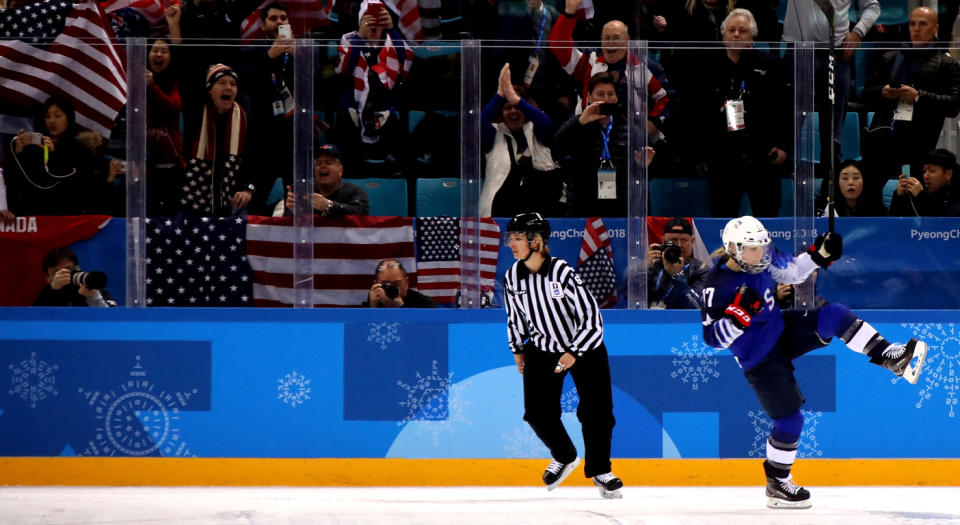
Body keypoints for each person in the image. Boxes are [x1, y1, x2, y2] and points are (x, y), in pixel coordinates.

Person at [700, 216, 928, 508]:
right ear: (733, 248)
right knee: (790, 420)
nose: (759, 254)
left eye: (761, 247)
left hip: (779, 331)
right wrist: (738, 316)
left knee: (833, 314)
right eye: (751, 249)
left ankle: (888, 357)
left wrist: (818, 255)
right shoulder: (717, 285)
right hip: (758, 356)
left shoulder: (762, 258)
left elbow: (793, 271)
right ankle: (778, 482)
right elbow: (713, 338)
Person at [502, 212, 622, 499]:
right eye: (511, 238)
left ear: (536, 241)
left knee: (597, 411)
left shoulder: (563, 273)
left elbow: (592, 319)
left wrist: (574, 352)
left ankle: (601, 470)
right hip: (542, 348)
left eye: (517, 238)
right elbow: (514, 316)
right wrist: (518, 348)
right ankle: (565, 455)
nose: (510, 244)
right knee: (537, 414)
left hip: (585, 348)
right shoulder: (512, 277)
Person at [690, 8, 790, 217]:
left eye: (742, 30)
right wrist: (700, 153)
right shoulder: (707, 66)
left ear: (752, 36)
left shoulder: (771, 65)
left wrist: (783, 145)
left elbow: (786, 108)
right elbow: (697, 113)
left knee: (767, 218)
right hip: (723, 158)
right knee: (723, 216)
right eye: (732, 30)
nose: (736, 34)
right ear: (723, 34)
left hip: (763, 156)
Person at [862, 7, 960, 206]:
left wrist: (918, 97)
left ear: (935, 28)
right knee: (872, 193)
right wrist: (882, 91)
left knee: (916, 196)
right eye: (912, 23)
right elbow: (866, 95)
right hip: (885, 137)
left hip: (921, 141)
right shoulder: (890, 58)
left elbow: (954, 105)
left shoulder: (946, 64)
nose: (916, 29)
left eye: (922, 24)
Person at [548, 0, 674, 143]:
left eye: (616, 38)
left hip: (630, 140)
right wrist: (569, 12)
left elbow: (666, 98)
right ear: (601, 40)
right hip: (590, 136)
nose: (610, 42)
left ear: (627, 40)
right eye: (606, 38)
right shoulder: (588, 60)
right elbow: (558, 46)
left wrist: (654, 122)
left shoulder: (646, 67)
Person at [783, 0, 881, 176]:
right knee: (789, 130)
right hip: (799, 51)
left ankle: (829, 198)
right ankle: (789, 194)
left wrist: (858, 33)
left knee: (833, 137)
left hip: (836, 54)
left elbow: (873, 7)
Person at [332, 0, 413, 173]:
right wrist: (359, 37)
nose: (375, 26)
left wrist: (392, 29)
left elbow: (405, 63)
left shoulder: (392, 42)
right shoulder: (349, 39)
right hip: (351, 111)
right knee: (349, 162)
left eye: (379, 21)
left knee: (400, 158)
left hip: (384, 111)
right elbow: (343, 70)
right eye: (369, 21)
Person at [4, 97, 116, 216]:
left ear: (68, 118)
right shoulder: (33, 147)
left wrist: (53, 154)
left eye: (57, 116)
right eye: (47, 117)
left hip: (69, 216)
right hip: (36, 216)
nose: (51, 121)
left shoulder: (81, 149)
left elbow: (79, 184)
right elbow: (16, 183)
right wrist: (19, 153)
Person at [480, 64, 560, 218]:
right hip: (499, 212)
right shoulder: (494, 133)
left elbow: (547, 124)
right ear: (500, 113)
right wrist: (500, 94)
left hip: (539, 212)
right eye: (507, 107)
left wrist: (515, 98)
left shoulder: (537, 129)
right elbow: (480, 123)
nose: (513, 111)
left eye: (517, 107)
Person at [181, 64, 257, 216]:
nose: (229, 87)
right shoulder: (195, 112)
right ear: (209, 89)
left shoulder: (245, 119)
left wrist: (248, 189)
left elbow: (254, 163)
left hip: (232, 203)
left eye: (233, 84)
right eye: (222, 83)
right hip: (192, 200)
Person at [241, 2, 296, 213]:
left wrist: (296, 59)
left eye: (283, 18)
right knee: (257, 198)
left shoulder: (302, 51)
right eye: (273, 18)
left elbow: (313, 87)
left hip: (292, 134)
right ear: (263, 25)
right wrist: (270, 57)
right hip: (263, 134)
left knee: (294, 198)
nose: (279, 22)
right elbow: (248, 83)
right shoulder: (252, 50)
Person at [553, 72, 628, 217]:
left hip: (618, 209)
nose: (606, 99)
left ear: (616, 98)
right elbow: (556, 148)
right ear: (589, 97)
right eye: (600, 94)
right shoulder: (579, 123)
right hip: (582, 207)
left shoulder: (629, 127)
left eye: (610, 94)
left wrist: (644, 163)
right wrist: (580, 121)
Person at [146, 38, 186, 216]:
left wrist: (152, 86)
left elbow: (174, 106)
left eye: (164, 51)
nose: (159, 55)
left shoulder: (174, 80)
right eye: (155, 50)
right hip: (145, 160)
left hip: (171, 161)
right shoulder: (136, 79)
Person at [275, 143, 370, 217]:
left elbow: (361, 213)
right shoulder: (304, 191)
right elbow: (287, 226)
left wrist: (329, 206)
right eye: (318, 163)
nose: (323, 166)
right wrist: (292, 211)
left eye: (328, 163)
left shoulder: (355, 191)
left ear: (340, 170)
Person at [647, 217, 709, 309]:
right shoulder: (653, 264)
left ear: (692, 242)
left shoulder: (701, 270)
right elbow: (629, 297)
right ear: (663, 241)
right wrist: (645, 270)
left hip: (684, 321)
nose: (679, 245)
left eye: (684, 240)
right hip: (649, 320)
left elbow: (696, 307)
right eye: (673, 240)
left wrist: (678, 276)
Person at [33, 247, 115, 307]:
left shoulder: (89, 284)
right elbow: (34, 320)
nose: (63, 274)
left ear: (77, 268)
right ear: (48, 278)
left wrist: (93, 297)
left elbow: (112, 319)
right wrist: (53, 291)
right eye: (57, 272)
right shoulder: (46, 293)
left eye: (68, 269)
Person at [889, 148, 960, 217]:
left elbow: (950, 219)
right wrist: (899, 197)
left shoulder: (956, 194)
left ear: (948, 174)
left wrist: (921, 196)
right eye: (924, 170)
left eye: (932, 171)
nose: (925, 176)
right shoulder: (919, 190)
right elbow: (895, 223)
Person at [815, 160, 887, 217]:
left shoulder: (876, 209)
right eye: (845, 178)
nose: (850, 182)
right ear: (838, 183)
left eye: (856, 178)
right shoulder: (828, 209)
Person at [364, 259, 436, 308]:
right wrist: (372, 309)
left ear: (407, 282)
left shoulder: (424, 304)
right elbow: (362, 329)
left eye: (397, 284)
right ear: (375, 285)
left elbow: (431, 328)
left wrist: (401, 307)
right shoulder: (373, 301)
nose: (391, 288)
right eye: (385, 284)